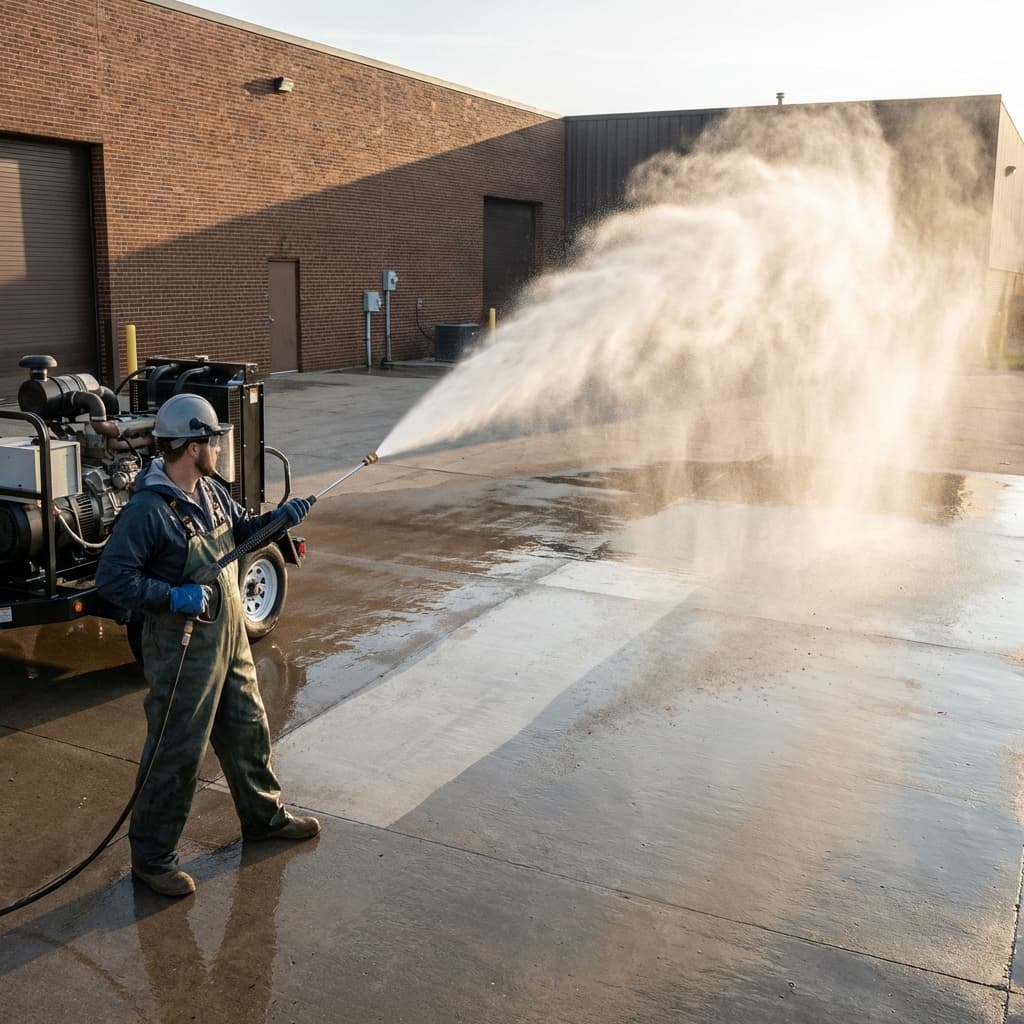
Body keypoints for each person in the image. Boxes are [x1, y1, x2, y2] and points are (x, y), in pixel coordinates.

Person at [96, 392, 318, 898]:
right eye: (213, 439)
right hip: (183, 652)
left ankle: (264, 817)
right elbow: (112, 579)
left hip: (230, 639)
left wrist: (279, 518)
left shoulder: (211, 492)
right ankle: (152, 860)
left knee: (249, 731)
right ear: (193, 444)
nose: (218, 447)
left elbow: (239, 530)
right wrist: (172, 595)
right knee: (177, 753)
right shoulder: (148, 510)